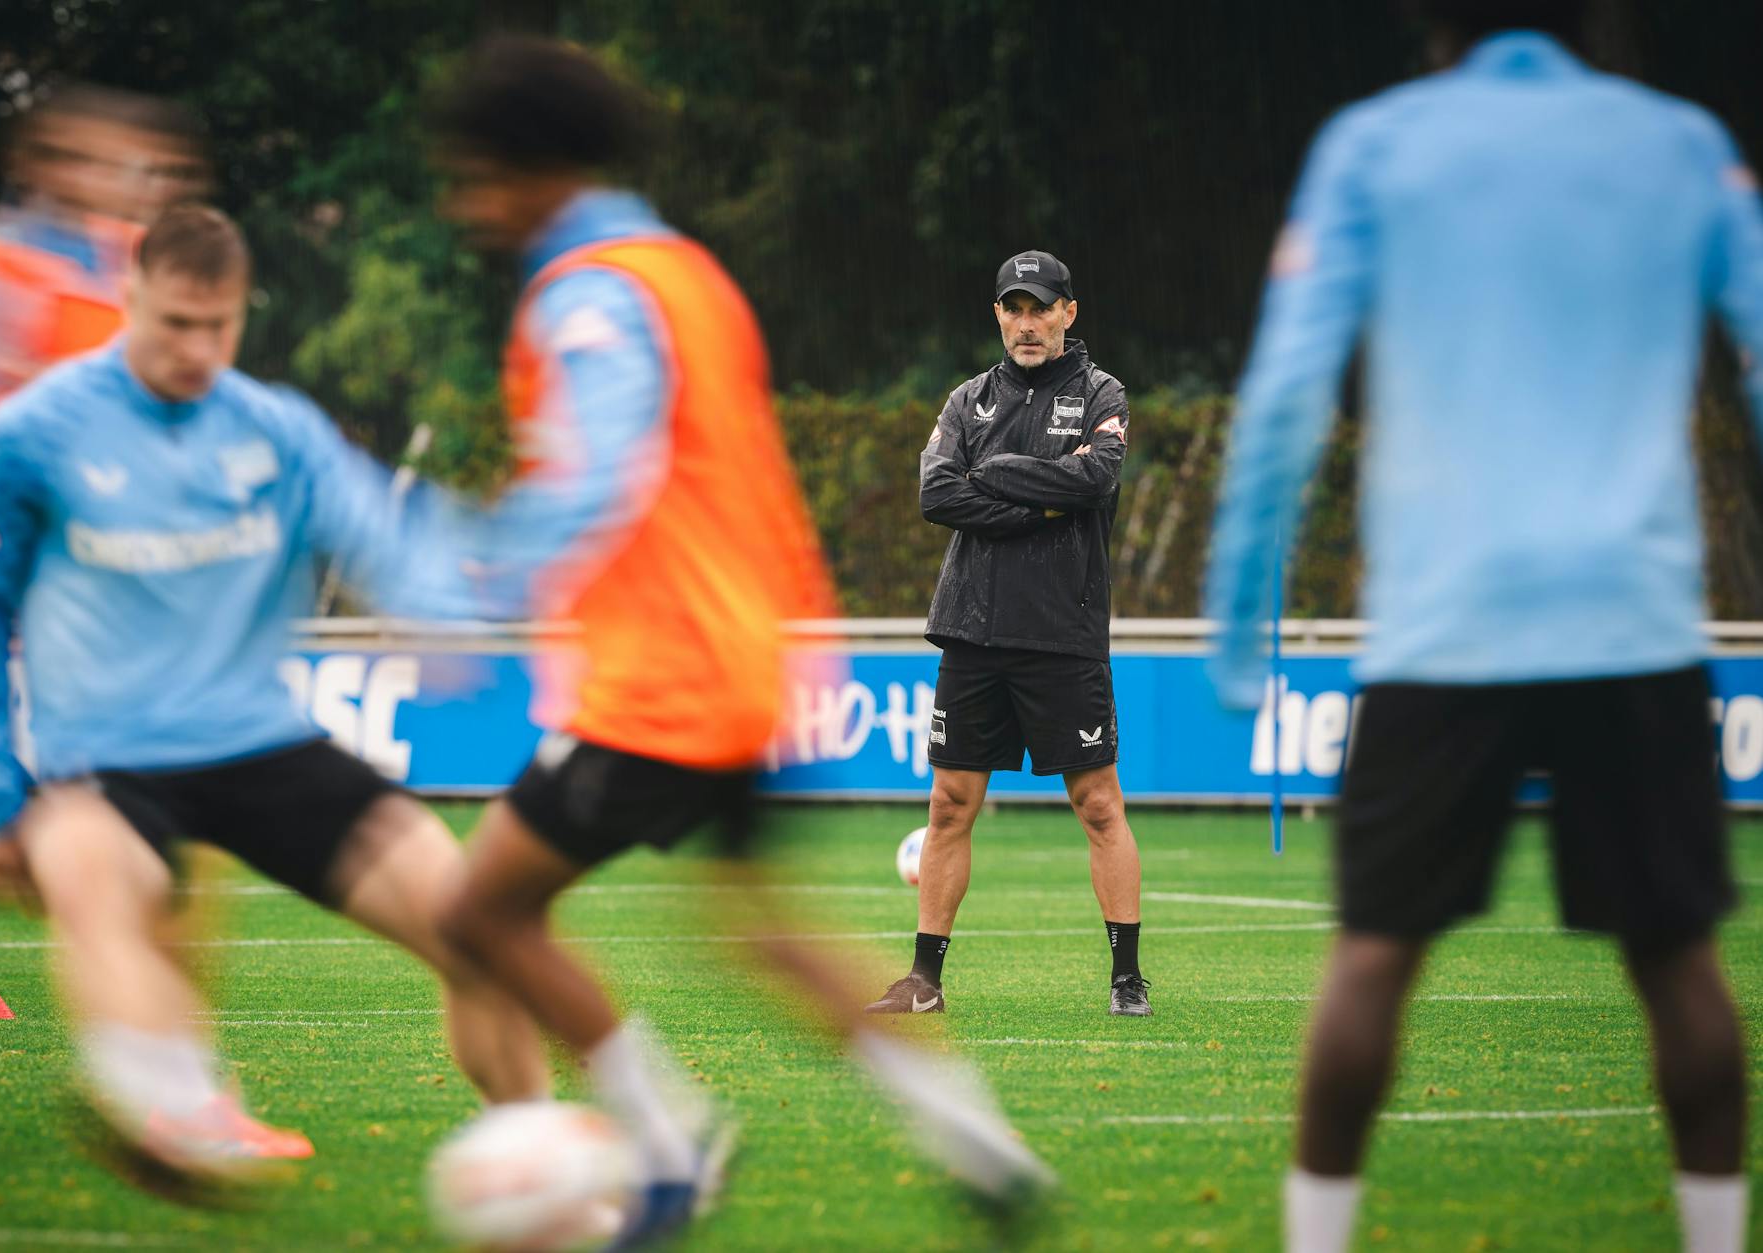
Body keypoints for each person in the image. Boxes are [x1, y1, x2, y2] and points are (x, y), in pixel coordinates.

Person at [427, 34, 1053, 1247]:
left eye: (474, 175)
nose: (465, 205)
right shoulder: (685, 272)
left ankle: (664, 1136)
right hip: (752, 658)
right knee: (755, 923)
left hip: (663, 677)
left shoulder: (590, 292)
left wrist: (480, 571)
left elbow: (607, 463)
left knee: (477, 914)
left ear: (534, 168)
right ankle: (969, 1126)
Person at [1202, 2, 1756, 1250]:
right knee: (1676, 961)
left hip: (1445, 622)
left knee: (1369, 962)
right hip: (1633, 616)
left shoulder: (1373, 144)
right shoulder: (1679, 144)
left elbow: (1287, 393)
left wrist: (1239, 622)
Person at [0, 204, 547, 1180]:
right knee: (89, 874)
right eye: (174, 323)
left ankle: (536, 1151)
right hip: (105, 757)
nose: (196, 348)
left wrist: (437, 610)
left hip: (260, 741)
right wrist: (2, 788)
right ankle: (173, 1101)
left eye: (216, 326)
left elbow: (377, 531)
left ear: (240, 314)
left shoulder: (275, 429)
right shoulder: (32, 434)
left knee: (475, 924)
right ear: (130, 297)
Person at [863, 250, 1150, 1018]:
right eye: (1013, 308)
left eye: (1041, 307)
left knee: (1097, 802)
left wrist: (993, 475)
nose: (1027, 323)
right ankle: (924, 979)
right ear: (998, 314)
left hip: (1064, 633)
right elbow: (936, 492)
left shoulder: (1101, 392)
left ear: (1068, 312)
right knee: (950, 804)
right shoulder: (968, 399)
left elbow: (1097, 479)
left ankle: (1127, 978)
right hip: (974, 630)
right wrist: (1040, 496)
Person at [0, 84, 208, 549]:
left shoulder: (147, 273)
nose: (120, 182)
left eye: (150, 169)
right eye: (88, 161)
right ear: (38, 164)